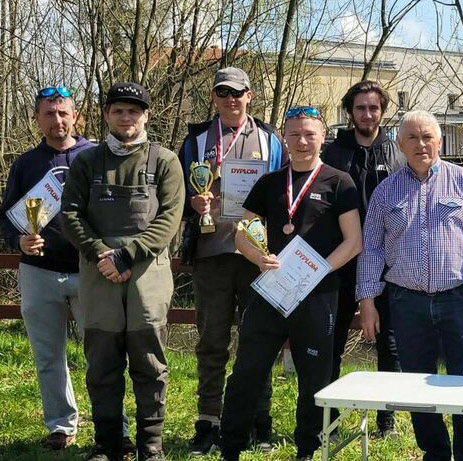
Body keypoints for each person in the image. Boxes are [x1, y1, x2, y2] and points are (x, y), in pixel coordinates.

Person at [357, 109, 463, 461]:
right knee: (416, 384)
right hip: (406, 302)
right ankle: (435, 452)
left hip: (460, 299)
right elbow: (372, 249)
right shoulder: (385, 192)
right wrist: (366, 300)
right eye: (412, 137)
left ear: (439, 141)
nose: (421, 144)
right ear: (400, 144)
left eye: (427, 137)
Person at [219, 106, 362, 461]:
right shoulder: (269, 183)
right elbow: (243, 234)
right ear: (284, 138)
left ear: (323, 137)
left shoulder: (339, 182)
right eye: (295, 134)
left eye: (310, 134)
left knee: (315, 378)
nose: (302, 141)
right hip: (272, 290)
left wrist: (320, 270)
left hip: (317, 294)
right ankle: (230, 447)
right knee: (247, 372)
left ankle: (307, 451)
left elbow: (353, 242)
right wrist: (258, 258)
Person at [0, 86, 135, 453]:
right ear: (36, 119)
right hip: (39, 272)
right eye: (49, 113)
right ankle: (61, 425)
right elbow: (6, 218)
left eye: (63, 113)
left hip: (92, 269)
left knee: (104, 354)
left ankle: (116, 427)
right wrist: (18, 241)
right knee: (48, 356)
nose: (57, 120)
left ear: (77, 116)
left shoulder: (98, 156)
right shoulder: (26, 164)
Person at [61, 82, 185, 461]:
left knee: (150, 363)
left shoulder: (165, 161)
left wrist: (126, 257)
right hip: (98, 273)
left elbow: (169, 219)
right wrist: (101, 253)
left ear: (146, 115)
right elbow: (70, 215)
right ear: (106, 115)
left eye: (134, 110)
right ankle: (107, 443)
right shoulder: (86, 162)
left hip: (148, 275)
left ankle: (151, 444)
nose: (126, 117)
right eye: (118, 110)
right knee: (102, 363)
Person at [178, 67, 284, 455]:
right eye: (223, 92)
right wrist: (192, 204)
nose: (230, 99)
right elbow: (175, 194)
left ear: (250, 95)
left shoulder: (270, 139)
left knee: (258, 340)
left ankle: (259, 420)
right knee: (212, 342)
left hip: (256, 256)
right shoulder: (196, 140)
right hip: (211, 254)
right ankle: (208, 421)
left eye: (237, 92)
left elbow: (284, 193)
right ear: (214, 97)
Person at [321, 80, 403, 438]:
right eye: (360, 108)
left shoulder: (397, 152)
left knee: (389, 342)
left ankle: (387, 421)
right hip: (341, 258)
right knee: (332, 340)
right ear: (349, 112)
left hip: (386, 261)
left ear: (382, 111)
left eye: (374, 108)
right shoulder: (332, 153)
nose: (367, 114)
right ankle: (330, 419)